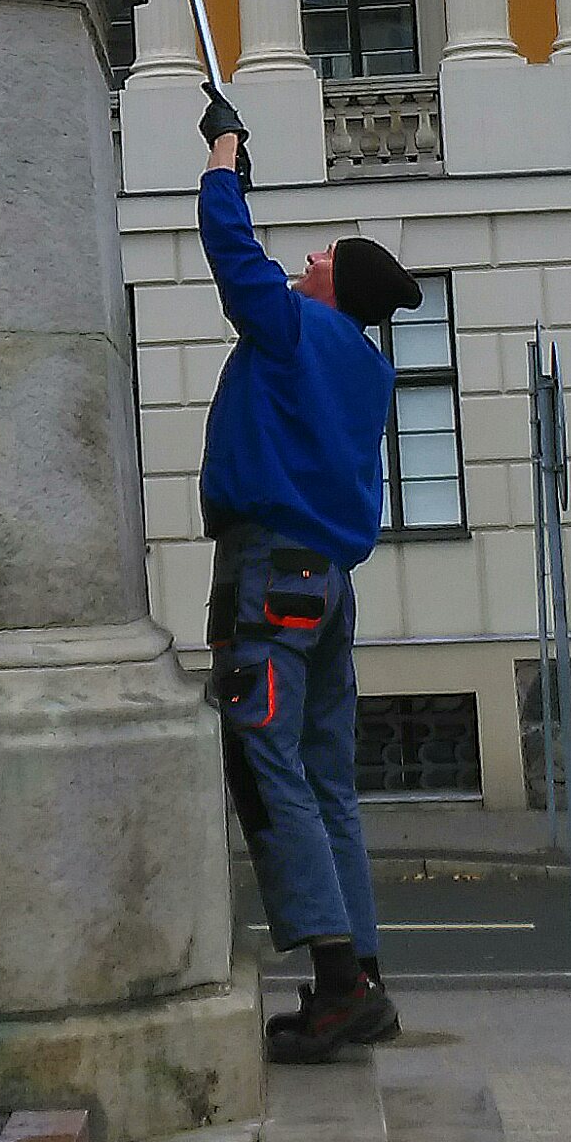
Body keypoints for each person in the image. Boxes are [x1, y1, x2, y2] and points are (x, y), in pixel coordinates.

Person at [193, 89, 424, 1061]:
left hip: (269, 578)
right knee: (329, 779)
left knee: (265, 757)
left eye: (322, 257)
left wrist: (222, 158)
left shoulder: (295, 329)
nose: (308, 259)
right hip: (327, 587)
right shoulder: (366, 369)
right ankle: (362, 969)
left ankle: (334, 983)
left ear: (333, 290)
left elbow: (234, 261)